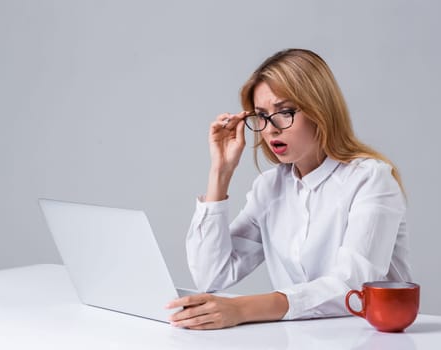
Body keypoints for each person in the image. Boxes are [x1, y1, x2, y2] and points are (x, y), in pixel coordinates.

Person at [165, 48, 412, 330]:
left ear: (321, 111)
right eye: (261, 115)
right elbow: (211, 276)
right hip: (297, 338)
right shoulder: (269, 187)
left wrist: (240, 308)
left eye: (285, 112)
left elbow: (352, 287)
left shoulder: (370, 179)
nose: (270, 129)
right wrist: (220, 173)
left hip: (367, 338)